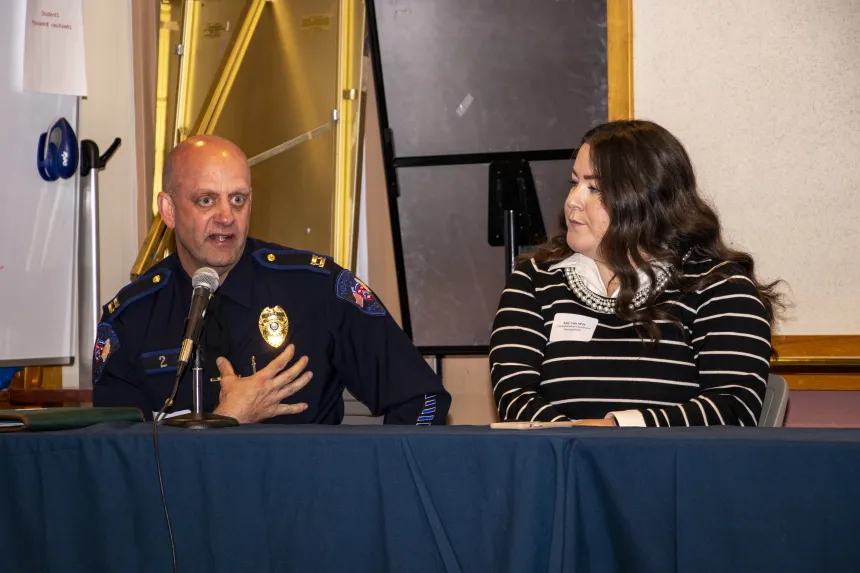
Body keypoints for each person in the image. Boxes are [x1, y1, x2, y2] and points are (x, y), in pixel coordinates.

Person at [93, 135, 449, 425]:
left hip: (306, 504)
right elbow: (114, 461)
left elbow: (423, 400)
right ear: (168, 210)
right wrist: (229, 419)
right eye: (206, 200)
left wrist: (368, 487)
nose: (226, 217)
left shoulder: (315, 288)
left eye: (238, 199)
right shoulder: (131, 319)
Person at [490, 120, 782, 427]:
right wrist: (575, 445)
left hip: (674, 472)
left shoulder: (721, 288)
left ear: (644, 200)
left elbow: (731, 409)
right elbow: (516, 397)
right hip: (558, 469)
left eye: (594, 188)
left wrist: (619, 429)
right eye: (574, 183)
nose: (572, 200)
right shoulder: (534, 281)